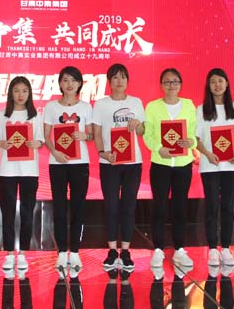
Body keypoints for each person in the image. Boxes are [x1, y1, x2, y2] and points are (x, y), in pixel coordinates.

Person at [93, 63, 145, 271]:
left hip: (133, 163)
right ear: (109, 81)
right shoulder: (101, 104)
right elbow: (97, 134)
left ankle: (126, 251)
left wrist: (137, 125)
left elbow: (142, 131)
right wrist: (102, 153)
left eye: (123, 77)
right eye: (115, 77)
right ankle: (112, 250)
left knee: (129, 207)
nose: (119, 80)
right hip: (110, 163)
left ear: (127, 80)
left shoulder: (136, 102)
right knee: (111, 206)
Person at [144, 68, 197, 271]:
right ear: (161, 85)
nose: (171, 85)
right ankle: (158, 249)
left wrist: (191, 142)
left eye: (175, 81)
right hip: (161, 164)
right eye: (167, 82)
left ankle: (179, 249)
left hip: (183, 164)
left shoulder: (189, 105)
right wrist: (159, 148)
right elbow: (148, 134)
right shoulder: (152, 107)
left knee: (180, 207)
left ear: (181, 84)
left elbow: (194, 131)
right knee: (159, 207)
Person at [43, 66, 94, 275]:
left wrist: (85, 136)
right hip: (58, 163)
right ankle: (62, 251)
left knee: (78, 207)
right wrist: (55, 152)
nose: (69, 84)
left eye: (73, 80)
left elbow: (91, 134)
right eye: (65, 80)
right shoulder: (51, 107)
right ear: (60, 84)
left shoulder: (86, 107)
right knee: (59, 207)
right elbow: (46, 136)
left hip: (80, 163)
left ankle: (75, 251)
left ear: (80, 83)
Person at [0, 76, 45, 273]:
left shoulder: (36, 116)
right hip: (7, 171)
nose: (20, 95)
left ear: (29, 93)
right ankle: (8, 253)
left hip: (29, 171)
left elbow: (41, 140)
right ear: (10, 93)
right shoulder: (1, 116)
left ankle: (22, 252)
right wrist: (2, 143)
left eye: (24, 91)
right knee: (7, 214)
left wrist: (36, 143)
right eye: (16, 91)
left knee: (27, 213)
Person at [195, 68, 234, 267]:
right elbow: (196, 139)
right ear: (208, 86)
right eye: (213, 82)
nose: (217, 85)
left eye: (220, 81)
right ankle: (212, 249)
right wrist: (207, 154)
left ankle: (225, 247)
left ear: (227, 84)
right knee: (211, 207)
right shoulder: (202, 110)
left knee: (227, 207)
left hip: (232, 165)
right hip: (210, 165)